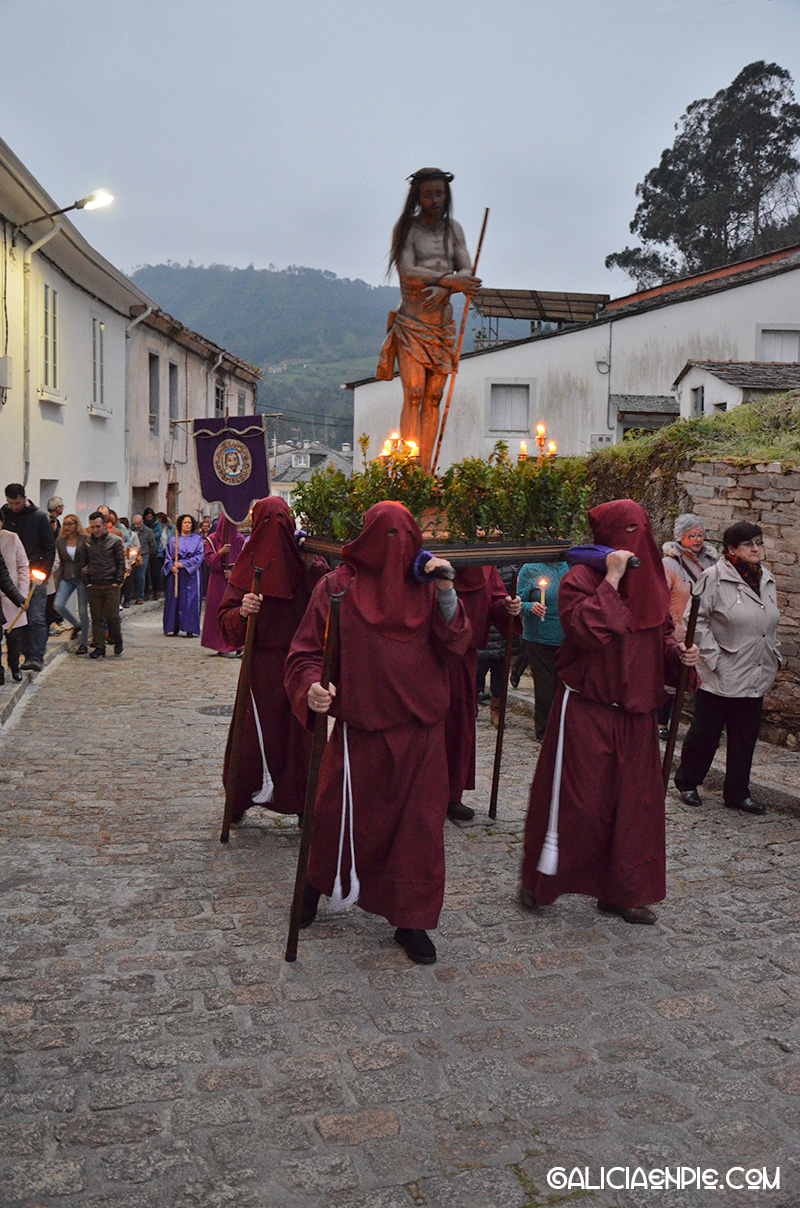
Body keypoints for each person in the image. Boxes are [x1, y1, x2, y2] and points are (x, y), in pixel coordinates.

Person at [285, 501, 472, 965]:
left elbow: (457, 642)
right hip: (360, 730)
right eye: (386, 536)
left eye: (404, 536)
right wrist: (312, 688)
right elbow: (305, 652)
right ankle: (312, 888)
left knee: (419, 832)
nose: (396, 548)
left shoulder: (429, 589)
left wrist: (447, 590)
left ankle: (411, 919)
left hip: (421, 732)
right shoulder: (337, 589)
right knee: (336, 818)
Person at [520, 500, 699, 926]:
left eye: (642, 528)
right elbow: (584, 630)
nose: (635, 539)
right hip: (587, 707)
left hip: (638, 713)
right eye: (626, 529)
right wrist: (613, 580)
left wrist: (681, 658)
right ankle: (542, 880)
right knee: (576, 803)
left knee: (636, 806)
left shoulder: (653, 580)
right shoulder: (580, 578)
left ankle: (623, 892)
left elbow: (658, 638)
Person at [218, 496, 329, 823]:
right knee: (253, 741)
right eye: (268, 521)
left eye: (282, 521)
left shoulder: (307, 561)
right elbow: (227, 624)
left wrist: (312, 567)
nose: (275, 529)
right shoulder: (246, 566)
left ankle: (305, 803)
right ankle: (239, 798)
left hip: (300, 667)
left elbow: (325, 604)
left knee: (300, 741)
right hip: (260, 670)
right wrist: (243, 611)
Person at [377, 168, 481, 473]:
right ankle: (407, 468)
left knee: (434, 397)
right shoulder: (406, 229)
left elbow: (468, 272)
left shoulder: (455, 230)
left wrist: (446, 284)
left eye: (440, 193)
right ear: (417, 198)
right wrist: (448, 281)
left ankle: (425, 470)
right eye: (428, 194)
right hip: (412, 323)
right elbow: (408, 272)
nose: (435, 200)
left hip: (442, 326)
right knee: (413, 394)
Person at [674, 521, 780, 816]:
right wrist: (715, 658)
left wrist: (775, 655)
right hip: (721, 672)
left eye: (758, 542)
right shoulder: (714, 578)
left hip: (756, 670)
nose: (756, 549)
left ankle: (737, 792)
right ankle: (688, 782)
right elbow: (694, 621)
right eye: (749, 544)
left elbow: (770, 622)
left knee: (745, 736)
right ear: (731, 549)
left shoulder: (766, 578)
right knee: (705, 733)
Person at [444, 565, 521, 821]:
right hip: (430, 657)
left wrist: (507, 607)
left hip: (466, 658)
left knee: (460, 729)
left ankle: (452, 796)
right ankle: (422, 793)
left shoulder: (485, 566)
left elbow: (496, 600)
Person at [659, 513, 718, 738]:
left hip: (707, 628)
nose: (697, 539)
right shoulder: (669, 564)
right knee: (672, 679)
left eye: (700, 535)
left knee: (705, 676)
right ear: (680, 537)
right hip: (678, 627)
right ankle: (661, 723)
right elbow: (662, 596)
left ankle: (703, 726)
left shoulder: (713, 562)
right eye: (691, 535)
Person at [1, 483, 55, 672]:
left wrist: (45, 572)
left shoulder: (39, 517)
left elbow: (49, 546)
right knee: (16, 618)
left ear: (24, 499)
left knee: (36, 615)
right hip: (9, 574)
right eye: (10, 503)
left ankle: (36, 656)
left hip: (34, 572)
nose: (14, 507)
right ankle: (23, 653)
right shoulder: (5, 516)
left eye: (17, 503)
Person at [516, 560, 569, 740]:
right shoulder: (530, 568)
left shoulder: (569, 566)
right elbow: (518, 602)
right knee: (545, 686)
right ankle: (545, 731)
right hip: (539, 638)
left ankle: (562, 729)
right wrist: (531, 607)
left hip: (566, 638)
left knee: (563, 685)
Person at [201, 514, 246, 655]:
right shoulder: (212, 540)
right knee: (217, 611)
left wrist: (233, 573)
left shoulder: (240, 540)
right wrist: (220, 553)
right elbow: (208, 560)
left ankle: (237, 645)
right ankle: (220, 644)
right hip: (217, 581)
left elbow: (245, 562)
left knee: (234, 611)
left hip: (234, 581)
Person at [82, 511, 125, 659]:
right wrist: (87, 581)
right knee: (97, 617)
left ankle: (117, 638)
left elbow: (121, 562)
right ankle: (100, 646)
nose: (96, 530)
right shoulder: (87, 542)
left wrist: (118, 581)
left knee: (112, 616)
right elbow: (83, 562)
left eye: (98, 526)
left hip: (110, 583)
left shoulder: (114, 541)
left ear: (105, 525)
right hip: (94, 583)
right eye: (93, 527)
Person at [54, 514, 90, 654]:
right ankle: (76, 624)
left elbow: (91, 555)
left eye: (70, 524)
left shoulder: (85, 539)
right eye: (65, 524)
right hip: (67, 575)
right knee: (58, 604)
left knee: (82, 610)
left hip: (82, 576)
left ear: (76, 525)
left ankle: (84, 642)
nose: (67, 527)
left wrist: (89, 568)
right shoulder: (60, 541)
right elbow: (60, 561)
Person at [163, 514, 204, 637]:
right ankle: (173, 626)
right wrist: (172, 566)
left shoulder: (197, 539)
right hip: (176, 574)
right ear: (180, 524)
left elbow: (199, 556)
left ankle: (190, 627)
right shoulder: (173, 539)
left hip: (190, 573)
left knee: (190, 600)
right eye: (185, 522)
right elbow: (168, 556)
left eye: (189, 523)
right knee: (174, 598)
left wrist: (183, 564)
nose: (187, 525)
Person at [0, 516, 29, 683]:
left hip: (12, 594)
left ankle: (15, 665)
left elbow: (23, 565)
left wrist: (22, 594)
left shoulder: (12, 538)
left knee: (14, 636)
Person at [131, 514, 157, 604]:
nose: (137, 526)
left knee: (140, 576)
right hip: (132, 555)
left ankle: (140, 596)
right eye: (135, 524)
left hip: (143, 555)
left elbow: (153, 545)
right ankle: (132, 594)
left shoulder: (148, 531)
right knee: (131, 575)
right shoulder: (131, 530)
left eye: (138, 523)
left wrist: (147, 552)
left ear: (142, 522)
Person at [142, 507, 163, 599]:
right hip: (145, 550)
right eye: (148, 516)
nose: (149, 518)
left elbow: (158, 534)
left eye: (151, 516)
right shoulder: (143, 525)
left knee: (155, 573)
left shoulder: (157, 523)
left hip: (156, 550)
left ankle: (156, 591)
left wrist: (150, 535)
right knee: (145, 573)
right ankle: (146, 592)